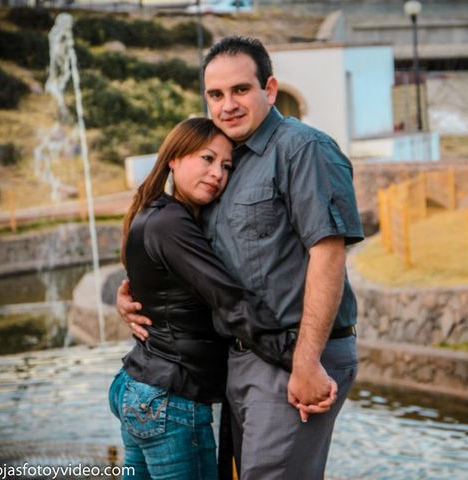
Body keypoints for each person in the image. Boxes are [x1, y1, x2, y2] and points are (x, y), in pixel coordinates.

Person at [118, 36, 364, 479]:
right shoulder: (229, 163)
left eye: (240, 90)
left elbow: (328, 254)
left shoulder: (302, 148)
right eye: (216, 94)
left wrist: (306, 363)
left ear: (269, 89)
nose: (227, 104)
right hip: (241, 358)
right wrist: (136, 300)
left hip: (292, 353)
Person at [109, 117, 295, 480]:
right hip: (170, 398)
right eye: (207, 159)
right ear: (174, 159)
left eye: (226, 166)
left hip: (138, 388)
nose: (218, 173)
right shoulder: (170, 222)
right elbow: (229, 300)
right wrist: (295, 358)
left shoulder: (156, 213)